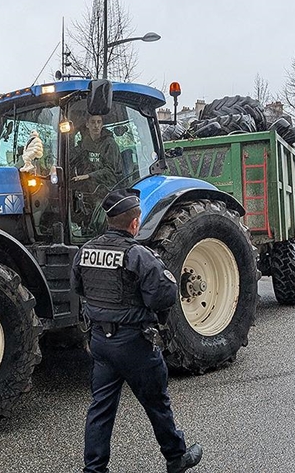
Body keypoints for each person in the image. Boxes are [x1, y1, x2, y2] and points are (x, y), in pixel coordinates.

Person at [71, 188, 203, 473]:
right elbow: (164, 295)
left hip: (100, 341)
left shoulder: (86, 251)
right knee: (157, 403)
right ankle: (176, 457)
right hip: (134, 343)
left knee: (100, 408)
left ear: (109, 221)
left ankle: (94, 469)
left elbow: (78, 287)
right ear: (134, 223)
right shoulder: (138, 254)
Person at [70, 114, 122, 232]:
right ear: (87, 125)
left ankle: (97, 233)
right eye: (93, 122)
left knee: (98, 217)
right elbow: (73, 159)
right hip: (86, 189)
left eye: (99, 122)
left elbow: (111, 172)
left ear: (102, 124)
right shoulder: (84, 144)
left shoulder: (110, 144)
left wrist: (88, 176)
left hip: (106, 190)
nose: (96, 125)